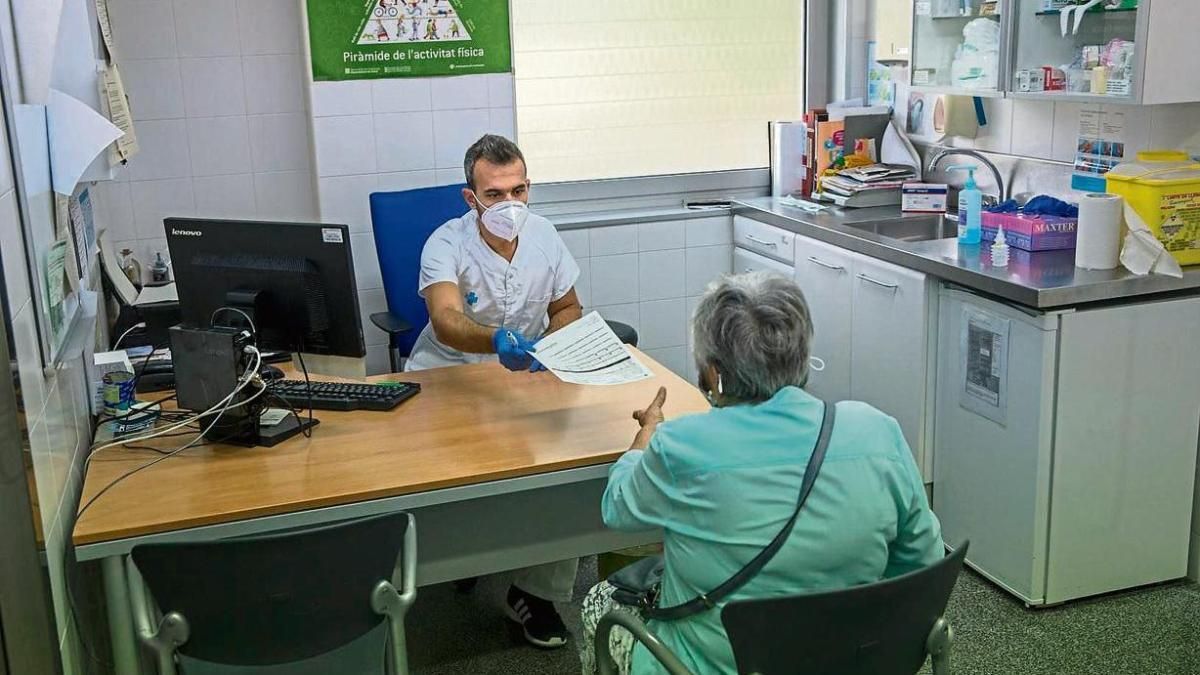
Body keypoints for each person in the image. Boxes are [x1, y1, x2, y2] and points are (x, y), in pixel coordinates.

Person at [579, 272, 945, 674]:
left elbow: (617, 509)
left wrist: (646, 436)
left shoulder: (683, 444)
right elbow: (922, 562)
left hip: (713, 666)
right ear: (802, 353)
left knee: (600, 602)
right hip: (850, 661)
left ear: (712, 374)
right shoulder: (877, 432)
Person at [407, 134, 584, 649]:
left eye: (519, 190)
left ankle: (536, 594)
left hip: (526, 378)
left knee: (566, 465)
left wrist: (548, 347)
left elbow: (567, 307)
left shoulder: (545, 235)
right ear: (472, 198)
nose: (510, 204)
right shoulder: (445, 242)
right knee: (448, 475)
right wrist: (494, 341)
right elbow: (443, 320)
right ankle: (465, 555)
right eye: (495, 194)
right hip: (450, 375)